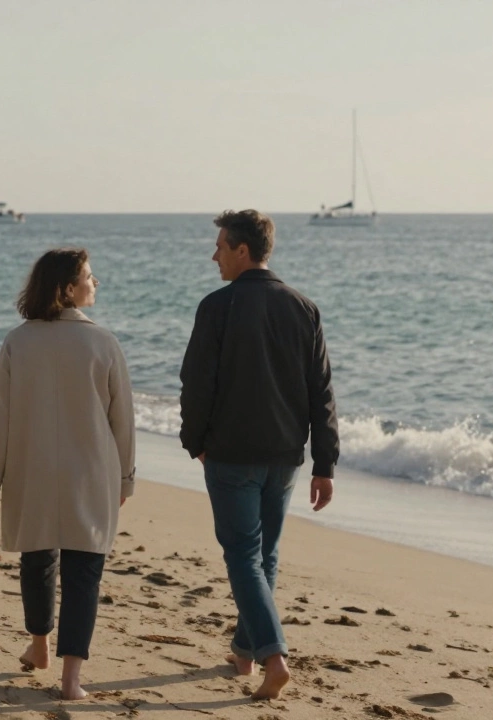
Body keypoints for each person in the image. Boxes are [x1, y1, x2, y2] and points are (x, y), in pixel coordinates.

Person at [179, 209, 339, 700]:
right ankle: (245, 653)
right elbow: (322, 393)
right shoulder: (303, 307)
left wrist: (194, 441)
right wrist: (324, 464)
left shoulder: (217, 306)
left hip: (232, 455)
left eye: (221, 247)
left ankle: (274, 657)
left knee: (245, 557)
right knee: (264, 555)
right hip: (285, 456)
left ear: (243, 250)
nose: (215, 256)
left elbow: (196, 382)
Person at [0, 248, 136, 700]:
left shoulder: (17, 342)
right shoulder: (104, 342)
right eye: (88, 276)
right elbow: (122, 422)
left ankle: (40, 646)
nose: (95, 283)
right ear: (66, 289)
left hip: (33, 469)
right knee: (85, 573)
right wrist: (125, 478)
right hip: (92, 473)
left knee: (37, 559)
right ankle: (71, 680)